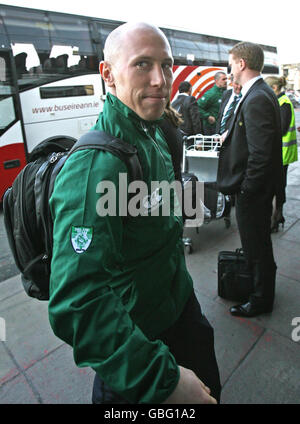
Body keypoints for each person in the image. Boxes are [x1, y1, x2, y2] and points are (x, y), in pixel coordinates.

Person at [48, 22, 221, 404]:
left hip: (181, 313)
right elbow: (79, 303)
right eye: (142, 64)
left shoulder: (156, 131)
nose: (160, 80)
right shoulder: (96, 166)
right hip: (139, 347)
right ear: (108, 74)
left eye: (167, 65)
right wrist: (163, 380)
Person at [217, 41, 284, 318]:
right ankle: (261, 290)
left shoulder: (256, 97)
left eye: (231, 63)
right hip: (255, 190)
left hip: (252, 193)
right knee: (258, 245)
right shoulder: (256, 92)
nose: (229, 69)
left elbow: (261, 154)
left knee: (256, 247)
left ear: (242, 64)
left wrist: (246, 191)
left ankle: (260, 299)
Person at [264, 75, 298, 232]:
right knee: (277, 185)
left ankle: (276, 217)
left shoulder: (284, 103)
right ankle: (277, 216)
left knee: (278, 186)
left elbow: (282, 128)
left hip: (282, 154)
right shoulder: (278, 101)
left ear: (274, 89)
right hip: (279, 153)